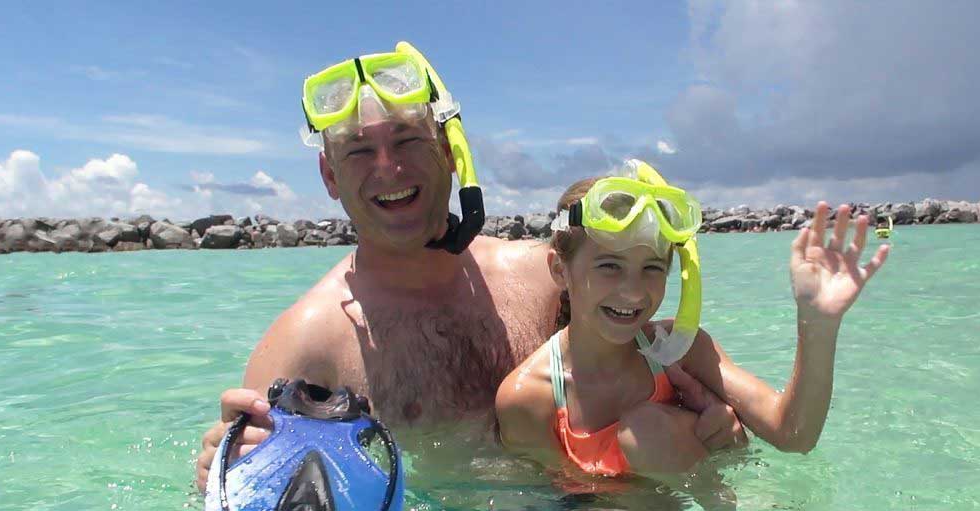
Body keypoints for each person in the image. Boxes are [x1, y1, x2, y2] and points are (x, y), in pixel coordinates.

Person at [194, 42, 746, 492]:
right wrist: (222, 474)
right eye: (359, 151)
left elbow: (656, 374)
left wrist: (715, 425)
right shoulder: (307, 345)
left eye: (408, 140)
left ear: (450, 153)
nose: (388, 168)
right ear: (330, 176)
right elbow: (258, 489)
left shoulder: (550, 279)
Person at [496, 161, 890, 476]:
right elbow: (552, 499)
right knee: (644, 433)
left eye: (652, 268)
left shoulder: (678, 351)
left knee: (646, 430)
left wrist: (817, 323)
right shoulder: (529, 399)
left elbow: (795, 435)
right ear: (559, 270)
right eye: (610, 266)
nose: (634, 292)